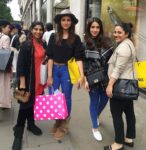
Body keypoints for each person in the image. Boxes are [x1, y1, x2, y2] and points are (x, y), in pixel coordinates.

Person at [46, 9, 84, 140]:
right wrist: (50, 76)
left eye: (68, 20)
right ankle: (57, 121)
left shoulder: (76, 38)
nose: (66, 22)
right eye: (63, 20)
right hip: (54, 70)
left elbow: (79, 58)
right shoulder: (53, 36)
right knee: (53, 97)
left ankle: (64, 125)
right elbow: (50, 56)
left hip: (67, 70)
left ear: (72, 22)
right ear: (59, 22)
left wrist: (81, 75)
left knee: (66, 97)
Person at [12, 21, 46, 150]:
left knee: (33, 104)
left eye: (40, 29)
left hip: (39, 81)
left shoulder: (43, 43)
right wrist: (22, 83)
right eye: (36, 29)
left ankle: (31, 125)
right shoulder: (27, 45)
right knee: (24, 107)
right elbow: (20, 65)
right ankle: (18, 135)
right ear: (31, 30)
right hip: (28, 81)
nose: (38, 31)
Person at [104, 23, 136, 150]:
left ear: (126, 34)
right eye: (115, 32)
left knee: (116, 114)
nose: (116, 34)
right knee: (129, 112)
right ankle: (129, 138)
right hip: (128, 85)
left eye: (119, 32)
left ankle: (118, 143)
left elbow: (118, 69)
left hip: (120, 85)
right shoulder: (128, 44)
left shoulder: (123, 48)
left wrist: (110, 85)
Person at [83, 17, 114, 141]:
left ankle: (95, 116)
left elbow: (113, 60)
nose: (95, 30)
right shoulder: (85, 43)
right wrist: (85, 79)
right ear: (89, 28)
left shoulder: (107, 41)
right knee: (94, 101)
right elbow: (83, 63)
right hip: (92, 78)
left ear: (100, 28)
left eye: (97, 27)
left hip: (106, 77)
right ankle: (95, 127)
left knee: (105, 99)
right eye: (92, 27)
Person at [0, 19, 12, 110]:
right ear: (2, 27)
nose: (9, 29)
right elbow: (6, 53)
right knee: (3, 86)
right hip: (2, 66)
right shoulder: (5, 38)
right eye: (8, 27)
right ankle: (3, 104)